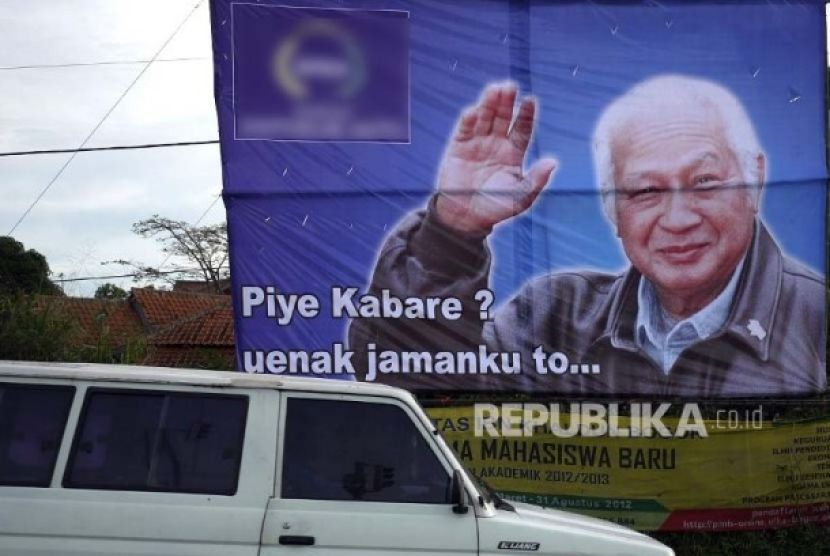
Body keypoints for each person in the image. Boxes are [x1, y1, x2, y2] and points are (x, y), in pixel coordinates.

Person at [348, 75, 826, 397]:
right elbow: (409, 385)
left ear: (755, 181)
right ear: (611, 208)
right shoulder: (554, 317)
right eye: (644, 191)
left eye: (705, 183)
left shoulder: (816, 318)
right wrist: (450, 233)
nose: (678, 218)